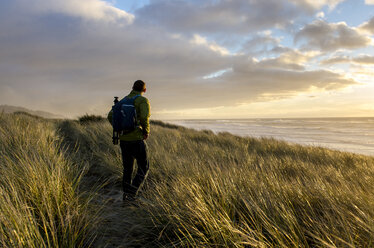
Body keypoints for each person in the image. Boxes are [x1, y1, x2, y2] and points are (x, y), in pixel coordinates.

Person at [107, 80, 151, 202]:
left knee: (127, 169)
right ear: (144, 90)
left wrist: (119, 128)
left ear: (132, 88)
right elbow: (144, 117)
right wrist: (145, 131)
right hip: (136, 139)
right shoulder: (142, 100)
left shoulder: (123, 100)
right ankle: (132, 194)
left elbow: (110, 116)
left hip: (124, 140)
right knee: (144, 167)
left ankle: (126, 197)